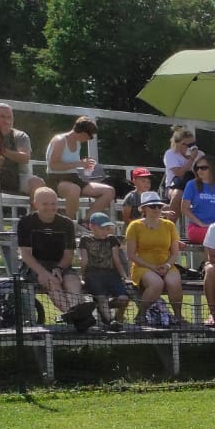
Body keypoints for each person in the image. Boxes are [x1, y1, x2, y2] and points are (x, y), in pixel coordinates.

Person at [17, 186, 95, 329]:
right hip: (35, 266)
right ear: (35, 204)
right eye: (45, 204)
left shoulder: (66, 223)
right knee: (52, 282)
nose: (50, 207)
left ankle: (75, 313)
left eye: (53, 203)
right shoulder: (26, 222)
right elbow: (26, 254)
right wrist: (43, 273)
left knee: (72, 280)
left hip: (60, 264)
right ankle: (77, 317)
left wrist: (59, 268)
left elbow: (68, 254)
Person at [0, 102, 43, 230]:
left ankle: (33, 222)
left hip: (18, 176)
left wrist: (2, 151)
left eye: (9, 117)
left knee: (38, 182)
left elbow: (25, 158)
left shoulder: (20, 136)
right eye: (2, 116)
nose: (7, 120)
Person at [125, 191, 185, 326]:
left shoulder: (169, 225)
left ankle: (178, 316)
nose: (157, 209)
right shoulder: (134, 226)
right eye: (152, 206)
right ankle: (141, 315)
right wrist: (151, 267)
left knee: (174, 283)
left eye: (159, 206)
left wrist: (167, 266)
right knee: (157, 284)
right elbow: (131, 255)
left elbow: (174, 253)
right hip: (143, 265)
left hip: (166, 264)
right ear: (144, 209)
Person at [44, 116, 115, 221]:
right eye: (90, 136)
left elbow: (74, 165)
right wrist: (78, 164)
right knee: (74, 190)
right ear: (84, 133)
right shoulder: (60, 140)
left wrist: (85, 165)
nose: (89, 139)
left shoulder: (77, 143)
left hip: (74, 178)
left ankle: (85, 221)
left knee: (109, 191)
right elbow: (53, 165)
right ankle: (70, 223)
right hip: (57, 179)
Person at [78, 211, 130, 329]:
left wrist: (124, 276)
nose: (106, 231)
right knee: (101, 298)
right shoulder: (85, 239)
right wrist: (81, 277)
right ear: (91, 227)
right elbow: (84, 260)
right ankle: (110, 322)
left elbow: (116, 260)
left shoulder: (112, 239)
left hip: (111, 274)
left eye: (108, 228)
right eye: (102, 228)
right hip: (93, 275)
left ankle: (104, 310)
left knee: (124, 299)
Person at [177, 158, 215, 246]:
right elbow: (184, 208)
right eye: (197, 168)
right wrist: (201, 224)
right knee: (212, 237)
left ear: (212, 168)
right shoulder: (191, 184)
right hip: (197, 227)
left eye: (203, 168)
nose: (199, 170)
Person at [161, 127, 200, 198]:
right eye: (189, 145)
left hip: (195, 185)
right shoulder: (170, 154)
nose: (191, 147)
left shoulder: (199, 154)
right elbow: (178, 173)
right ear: (178, 144)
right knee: (178, 194)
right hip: (174, 186)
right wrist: (192, 158)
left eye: (193, 144)